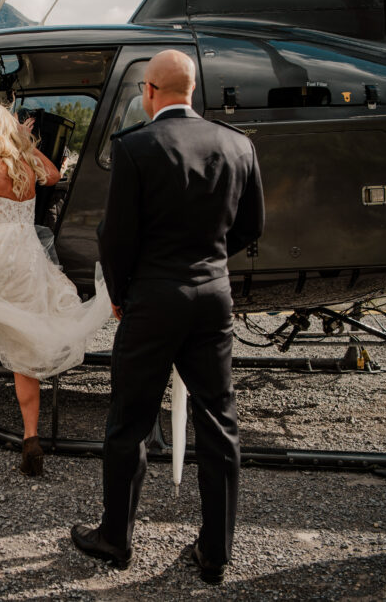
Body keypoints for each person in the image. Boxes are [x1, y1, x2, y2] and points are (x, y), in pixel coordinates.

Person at [71, 50, 264, 583]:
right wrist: (210, 262)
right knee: (218, 423)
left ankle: (116, 539)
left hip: (153, 300)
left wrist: (122, 292)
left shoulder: (136, 147)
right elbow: (251, 227)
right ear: (192, 89)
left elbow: (117, 236)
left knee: (129, 421)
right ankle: (216, 551)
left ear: (150, 91)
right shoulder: (238, 145)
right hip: (212, 295)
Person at [0, 102, 111, 477]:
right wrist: (25, 143)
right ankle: (31, 437)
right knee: (22, 347)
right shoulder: (26, 164)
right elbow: (53, 174)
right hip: (27, 256)